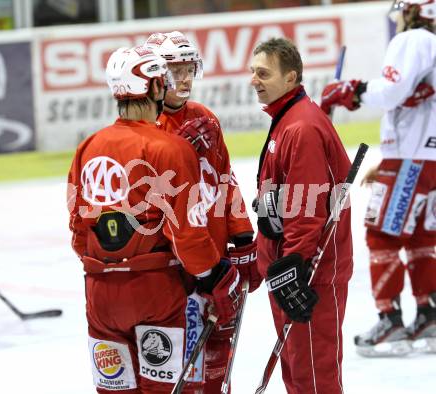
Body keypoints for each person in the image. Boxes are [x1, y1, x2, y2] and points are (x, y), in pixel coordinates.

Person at [67, 46, 243, 393]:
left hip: (100, 295)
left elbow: (77, 228)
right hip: (155, 292)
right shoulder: (170, 148)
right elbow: (187, 231)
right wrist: (216, 275)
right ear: (153, 87)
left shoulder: (88, 146)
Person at [143, 31, 262, 393]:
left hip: (217, 255)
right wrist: (177, 148)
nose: (183, 79)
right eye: (173, 70)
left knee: (217, 357)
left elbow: (224, 177)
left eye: (188, 68)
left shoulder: (204, 116)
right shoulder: (146, 123)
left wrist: (241, 237)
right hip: (175, 265)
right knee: (180, 363)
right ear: (154, 75)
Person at [320, 0, 436, 356]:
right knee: (420, 236)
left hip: (410, 161)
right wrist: (389, 159)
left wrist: (350, 90)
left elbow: (391, 92)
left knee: (381, 234)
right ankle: (429, 315)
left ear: (414, 12)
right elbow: (413, 100)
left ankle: (391, 319)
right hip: (425, 160)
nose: (399, 19)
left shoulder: (414, 39)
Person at [250, 37, 353, 394]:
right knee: (297, 375)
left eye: (263, 73)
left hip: (309, 275)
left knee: (313, 377)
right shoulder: (286, 119)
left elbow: (306, 209)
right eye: (253, 72)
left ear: (291, 77)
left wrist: (294, 263)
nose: (254, 80)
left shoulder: (302, 127)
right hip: (288, 271)